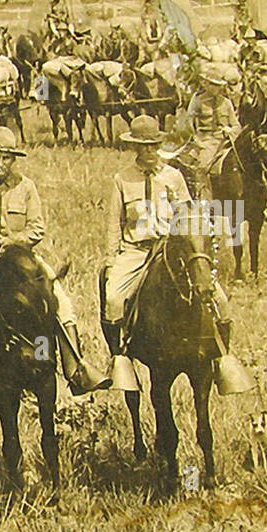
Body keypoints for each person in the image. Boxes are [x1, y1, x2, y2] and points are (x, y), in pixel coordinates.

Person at [0, 127, 108, 396]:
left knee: (59, 300)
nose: (0, 164)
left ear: (13, 160)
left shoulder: (26, 187)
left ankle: (76, 368)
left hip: (21, 257)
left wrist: (15, 241)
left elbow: (37, 228)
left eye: (6, 159)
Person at [100, 114, 232, 386]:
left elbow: (187, 217)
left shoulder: (173, 177)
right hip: (136, 250)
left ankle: (221, 360)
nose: (148, 152)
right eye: (142, 146)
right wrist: (111, 260)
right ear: (134, 147)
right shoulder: (122, 179)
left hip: (172, 249)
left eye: (153, 146)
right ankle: (120, 359)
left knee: (220, 300)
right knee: (113, 300)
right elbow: (115, 223)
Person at [172, 68, 239, 200]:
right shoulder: (198, 100)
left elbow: (236, 125)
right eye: (213, 85)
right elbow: (188, 123)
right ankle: (203, 198)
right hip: (206, 139)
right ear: (206, 84)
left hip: (226, 139)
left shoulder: (226, 102)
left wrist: (230, 130)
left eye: (219, 86)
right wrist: (197, 140)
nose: (217, 88)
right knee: (202, 167)